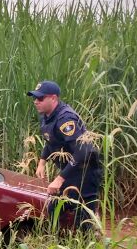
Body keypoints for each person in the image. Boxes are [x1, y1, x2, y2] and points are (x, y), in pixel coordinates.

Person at [27, 81, 103, 231]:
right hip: (69, 172)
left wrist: (59, 179)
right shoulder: (46, 116)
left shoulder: (66, 119)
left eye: (40, 98)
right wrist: (42, 162)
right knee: (53, 209)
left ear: (53, 98)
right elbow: (51, 141)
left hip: (84, 175)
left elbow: (83, 150)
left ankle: (90, 242)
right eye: (35, 98)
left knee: (83, 222)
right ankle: (58, 245)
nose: (36, 101)